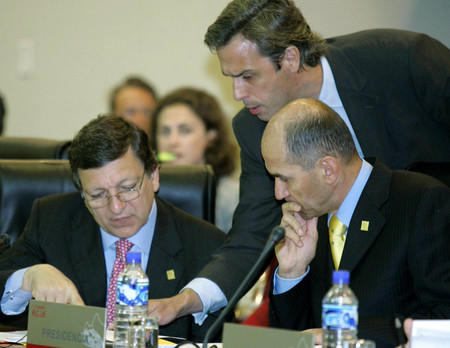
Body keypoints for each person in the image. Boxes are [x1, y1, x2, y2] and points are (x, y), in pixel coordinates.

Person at [147, 0, 450, 333]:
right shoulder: (255, 127)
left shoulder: (403, 60)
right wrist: (187, 299)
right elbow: (252, 235)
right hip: (357, 301)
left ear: (290, 58)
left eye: (248, 76)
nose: (237, 93)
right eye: (230, 78)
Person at [0, 115, 226, 341]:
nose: (116, 208)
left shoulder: (207, 246)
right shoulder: (51, 220)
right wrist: (29, 277)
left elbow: (216, 340)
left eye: (127, 188)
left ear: (153, 176)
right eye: (97, 195)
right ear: (82, 192)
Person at [261, 98, 450, 347]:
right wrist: (292, 272)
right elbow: (293, 341)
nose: (279, 193)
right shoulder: (308, 222)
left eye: (284, 178)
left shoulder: (420, 202)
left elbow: (443, 320)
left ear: (328, 170)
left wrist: (341, 335)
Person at [150, 87, 239, 232]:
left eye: (185, 130)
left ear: (211, 136)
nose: (172, 142)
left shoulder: (233, 197)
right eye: (165, 131)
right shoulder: (144, 194)